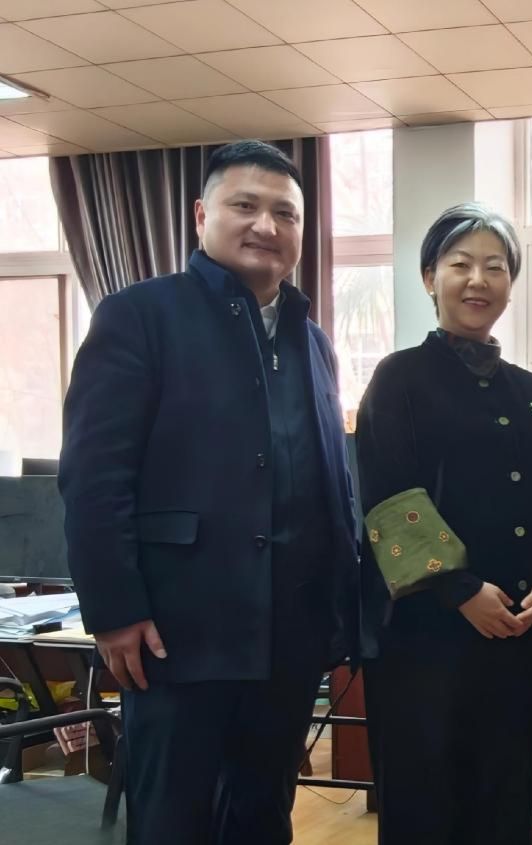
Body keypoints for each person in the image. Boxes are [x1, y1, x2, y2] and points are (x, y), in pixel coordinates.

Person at [59, 140, 359, 844]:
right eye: (245, 205)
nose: (266, 225)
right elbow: (95, 476)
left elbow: (330, 482)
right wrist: (115, 608)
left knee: (263, 816)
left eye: (285, 213)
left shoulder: (312, 341)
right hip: (177, 632)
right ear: (201, 215)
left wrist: (340, 607)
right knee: (174, 820)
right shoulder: (140, 315)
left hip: (289, 638)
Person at [355, 203, 532, 845]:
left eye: (495, 267)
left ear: (511, 283)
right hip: (423, 634)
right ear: (430, 277)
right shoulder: (398, 378)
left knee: (501, 792)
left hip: (512, 629)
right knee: (425, 797)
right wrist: (459, 589)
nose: (478, 280)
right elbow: (387, 496)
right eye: (460, 264)